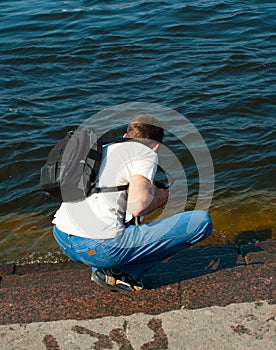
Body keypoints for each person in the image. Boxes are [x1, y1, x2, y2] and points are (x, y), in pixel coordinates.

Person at [52, 114, 212, 292]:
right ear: (156, 145)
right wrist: (158, 199)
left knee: (115, 224)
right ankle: (123, 273)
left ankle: (105, 268)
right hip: (97, 248)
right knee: (200, 222)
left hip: (63, 236)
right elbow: (137, 207)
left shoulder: (104, 147)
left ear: (126, 136)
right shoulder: (145, 153)